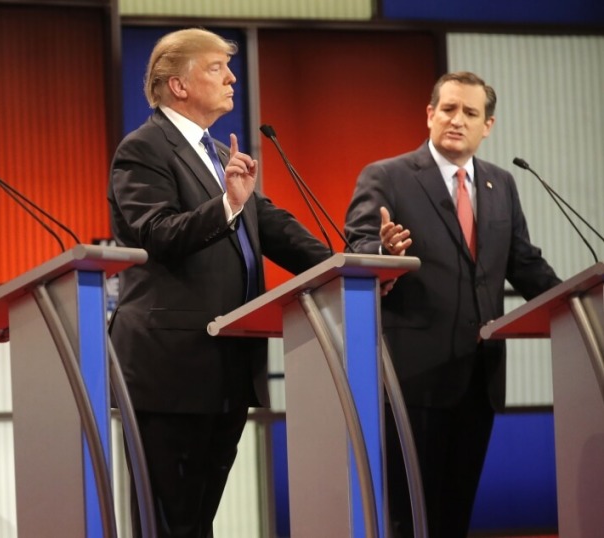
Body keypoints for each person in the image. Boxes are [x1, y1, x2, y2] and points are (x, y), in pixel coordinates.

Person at [108, 28, 333, 538]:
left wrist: (352, 266)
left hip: (226, 367)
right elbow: (155, 233)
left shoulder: (214, 152)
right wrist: (229, 203)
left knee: (198, 520)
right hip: (170, 370)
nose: (232, 77)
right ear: (178, 84)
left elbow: (273, 227)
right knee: (170, 522)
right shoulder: (143, 149)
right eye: (216, 68)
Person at [344, 71, 561, 538]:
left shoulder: (501, 184)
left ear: (489, 125)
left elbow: (525, 265)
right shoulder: (387, 177)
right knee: (410, 518)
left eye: (470, 113)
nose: (457, 120)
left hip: (478, 378)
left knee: (455, 516)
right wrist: (385, 253)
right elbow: (358, 251)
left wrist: (580, 306)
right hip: (412, 380)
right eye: (448, 109)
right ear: (429, 115)